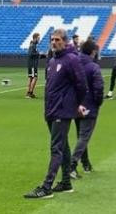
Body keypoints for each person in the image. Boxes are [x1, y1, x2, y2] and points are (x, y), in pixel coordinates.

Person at [24, 30, 89, 200]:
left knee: (56, 148)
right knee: (63, 146)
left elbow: (82, 85)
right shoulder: (52, 60)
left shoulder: (71, 59)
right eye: (52, 39)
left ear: (65, 42)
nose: (54, 42)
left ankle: (47, 187)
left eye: (57, 40)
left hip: (63, 110)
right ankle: (66, 183)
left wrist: (78, 104)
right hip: (51, 110)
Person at [69, 39, 104, 180]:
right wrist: (98, 102)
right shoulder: (93, 67)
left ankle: (86, 163)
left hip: (75, 105)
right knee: (84, 136)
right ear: (93, 51)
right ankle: (71, 165)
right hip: (89, 106)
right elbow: (98, 88)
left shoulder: (73, 63)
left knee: (81, 136)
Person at [25, 32, 42, 99]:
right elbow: (31, 54)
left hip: (31, 64)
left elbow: (34, 54)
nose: (39, 39)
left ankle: (28, 92)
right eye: (38, 38)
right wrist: (38, 54)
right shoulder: (33, 45)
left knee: (31, 78)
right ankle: (30, 93)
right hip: (32, 65)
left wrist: (41, 55)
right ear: (35, 38)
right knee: (35, 77)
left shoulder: (32, 44)